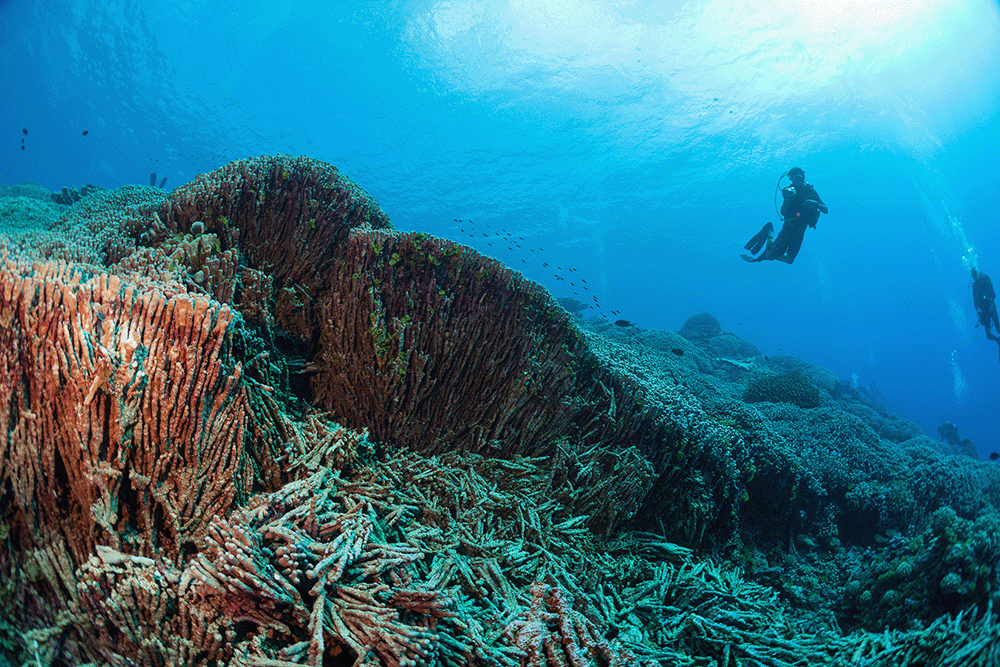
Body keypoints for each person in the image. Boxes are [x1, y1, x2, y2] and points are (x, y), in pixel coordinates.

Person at [742, 166, 828, 264]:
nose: (797, 181)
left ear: (803, 177)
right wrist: (787, 199)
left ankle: (769, 245)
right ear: (792, 180)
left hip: (801, 229)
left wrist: (815, 203)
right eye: (794, 179)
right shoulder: (790, 191)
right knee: (771, 255)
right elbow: (783, 212)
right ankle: (769, 230)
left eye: (799, 178)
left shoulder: (811, 192)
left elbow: (826, 210)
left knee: (789, 260)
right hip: (789, 228)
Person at [971, 268, 1000, 357]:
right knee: (988, 335)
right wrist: (977, 311)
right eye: (973, 276)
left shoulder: (985, 279)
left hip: (991, 308)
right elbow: (975, 301)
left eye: (975, 274)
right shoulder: (974, 285)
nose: (975, 277)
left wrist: (991, 303)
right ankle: (998, 341)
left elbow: (993, 293)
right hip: (984, 312)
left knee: (998, 329)